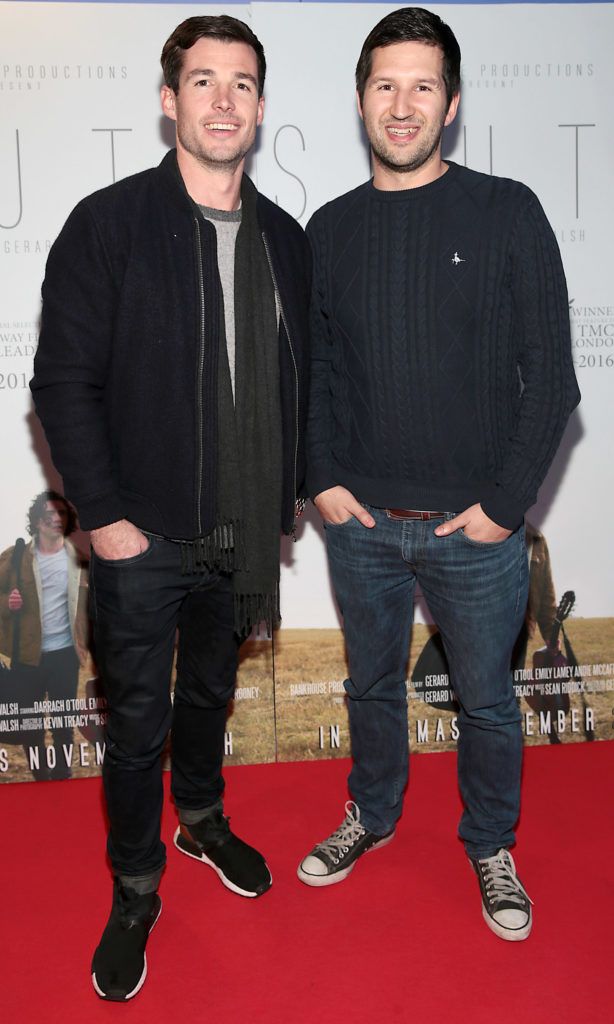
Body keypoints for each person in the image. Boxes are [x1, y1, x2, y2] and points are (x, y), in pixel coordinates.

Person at [31, 15, 310, 1001]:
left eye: (241, 83)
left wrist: (287, 497)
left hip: (239, 531)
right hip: (138, 535)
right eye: (202, 81)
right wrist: (100, 515)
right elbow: (61, 381)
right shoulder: (108, 226)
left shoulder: (285, 240)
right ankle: (137, 888)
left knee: (208, 698)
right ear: (168, 100)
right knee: (137, 719)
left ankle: (200, 816)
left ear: (261, 106)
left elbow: (298, 381)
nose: (222, 99)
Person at [298, 7, 579, 943]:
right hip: (363, 528)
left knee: (488, 701)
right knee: (370, 689)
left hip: (476, 533)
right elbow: (317, 373)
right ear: (360, 99)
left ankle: (491, 843)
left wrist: (504, 508)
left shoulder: (509, 210)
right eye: (386, 84)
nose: (403, 103)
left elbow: (554, 376)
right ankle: (371, 817)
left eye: (423, 85)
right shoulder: (328, 229)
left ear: (451, 105)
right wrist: (321, 479)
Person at [0, 490, 88, 780]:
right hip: (27, 656)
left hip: (66, 655)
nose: (55, 519)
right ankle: (40, 780)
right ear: (37, 522)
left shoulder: (80, 560)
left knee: (64, 722)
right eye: (48, 515)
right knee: (30, 725)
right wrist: (6, 603)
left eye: (60, 514)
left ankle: (62, 777)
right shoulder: (16, 557)